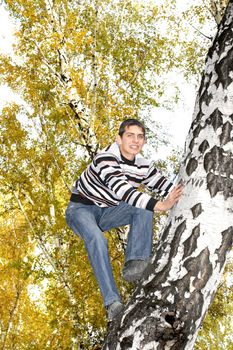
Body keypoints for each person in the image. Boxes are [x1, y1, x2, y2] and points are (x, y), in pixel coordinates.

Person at [65, 119, 183, 321]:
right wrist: (161, 205)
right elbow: (123, 190)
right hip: (80, 209)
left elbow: (166, 186)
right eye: (130, 135)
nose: (135, 141)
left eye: (140, 137)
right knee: (98, 239)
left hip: (107, 211)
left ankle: (136, 262)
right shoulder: (106, 158)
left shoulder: (143, 165)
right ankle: (112, 303)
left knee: (143, 209)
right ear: (119, 138)